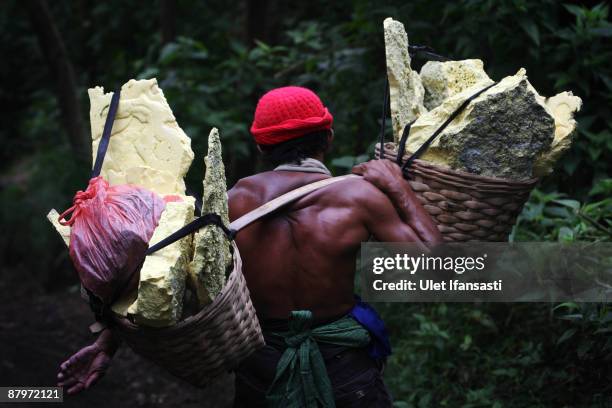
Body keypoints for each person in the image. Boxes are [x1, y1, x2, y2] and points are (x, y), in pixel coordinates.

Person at [57, 86, 443, 407]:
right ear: (328, 137)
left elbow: (168, 285)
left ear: (261, 146)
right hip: (345, 371)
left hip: (263, 372)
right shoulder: (360, 197)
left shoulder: (228, 204)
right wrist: (398, 186)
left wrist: (107, 343)